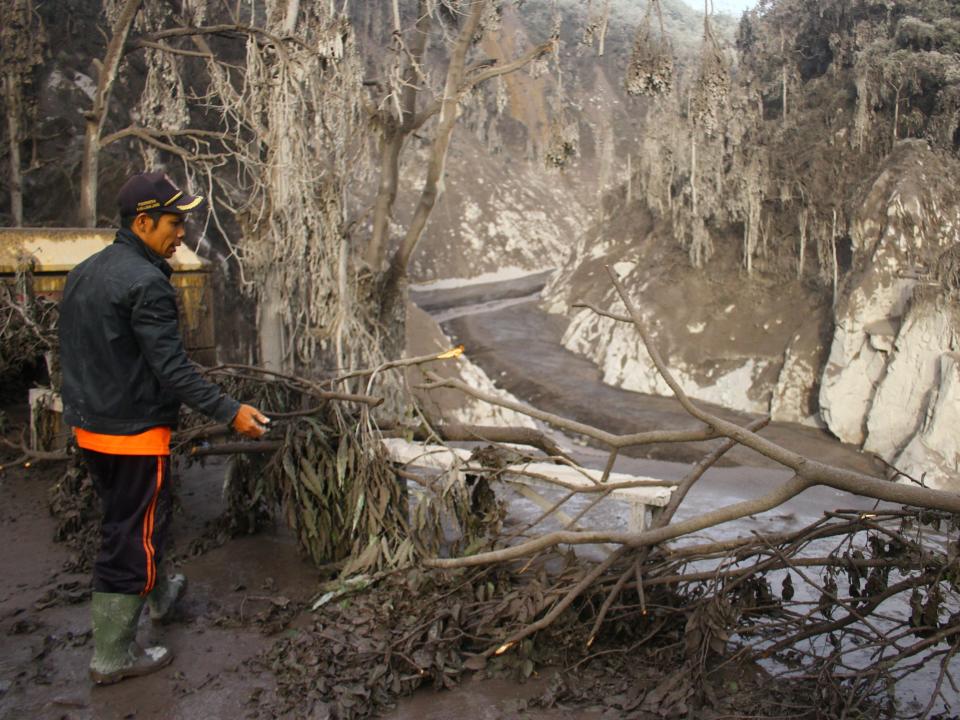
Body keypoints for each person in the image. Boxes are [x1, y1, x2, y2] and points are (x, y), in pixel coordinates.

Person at [58, 171, 268, 685]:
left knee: (139, 518)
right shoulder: (147, 282)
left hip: (91, 426)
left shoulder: (86, 271)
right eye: (175, 223)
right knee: (131, 536)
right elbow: (171, 369)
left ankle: (158, 594)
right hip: (132, 433)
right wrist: (229, 410)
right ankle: (112, 655)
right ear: (144, 221)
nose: (182, 234)